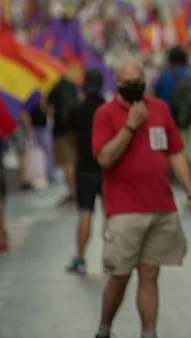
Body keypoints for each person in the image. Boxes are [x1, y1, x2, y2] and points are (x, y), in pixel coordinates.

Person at [92, 60, 191, 338]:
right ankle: (104, 328)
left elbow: (175, 152)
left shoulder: (160, 109)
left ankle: (149, 332)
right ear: (117, 84)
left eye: (138, 80)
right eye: (127, 82)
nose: (134, 86)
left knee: (150, 274)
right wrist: (130, 127)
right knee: (120, 275)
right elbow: (104, 158)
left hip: (161, 206)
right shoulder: (105, 114)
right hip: (124, 208)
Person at [66, 70, 106, 275]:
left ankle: (80, 258)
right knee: (111, 213)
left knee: (85, 212)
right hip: (108, 167)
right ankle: (112, 257)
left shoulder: (76, 110)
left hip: (85, 167)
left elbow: (72, 139)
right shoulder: (108, 109)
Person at [47, 76, 80, 205]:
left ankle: (72, 193)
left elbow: (49, 110)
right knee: (74, 161)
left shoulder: (53, 88)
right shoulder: (71, 84)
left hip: (60, 131)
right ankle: (75, 191)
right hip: (74, 128)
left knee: (67, 164)